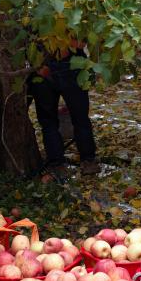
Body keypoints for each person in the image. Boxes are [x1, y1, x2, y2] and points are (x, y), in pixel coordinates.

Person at [28, 43, 99, 181]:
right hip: (68, 67)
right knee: (78, 118)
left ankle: (58, 164)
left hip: (46, 68)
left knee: (50, 122)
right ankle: (87, 161)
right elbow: (81, 42)